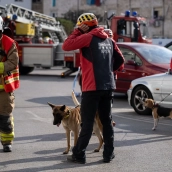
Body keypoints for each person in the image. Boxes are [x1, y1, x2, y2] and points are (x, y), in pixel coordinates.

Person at [62, 13, 125, 164]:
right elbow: (121, 60)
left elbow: (66, 45)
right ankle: (108, 154)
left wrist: (77, 31)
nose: (78, 29)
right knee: (107, 120)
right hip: (108, 85)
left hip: (92, 87)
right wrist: (108, 71)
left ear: (85, 26)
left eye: (80, 26)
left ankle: (79, 154)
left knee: (87, 122)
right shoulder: (109, 39)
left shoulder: (88, 37)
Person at [0, 16, 19, 152]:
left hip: (3, 88)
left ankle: (6, 142)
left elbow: (13, 62)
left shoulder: (8, 43)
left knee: (5, 117)